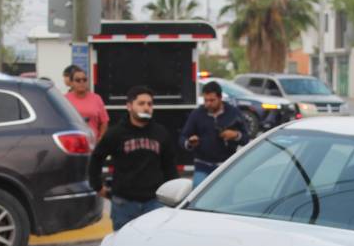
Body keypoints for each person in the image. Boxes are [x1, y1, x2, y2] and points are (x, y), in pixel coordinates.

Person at [88, 86, 178, 231]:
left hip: (154, 203)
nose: (146, 107)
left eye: (150, 104)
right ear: (129, 106)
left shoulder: (161, 133)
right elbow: (96, 158)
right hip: (124, 203)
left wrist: (173, 194)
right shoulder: (116, 133)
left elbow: (170, 166)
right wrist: (97, 186)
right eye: (141, 103)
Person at [180, 81, 248, 185]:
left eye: (212, 100)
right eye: (205, 100)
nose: (208, 104)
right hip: (202, 165)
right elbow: (183, 137)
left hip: (226, 166)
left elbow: (246, 138)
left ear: (220, 98)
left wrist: (235, 135)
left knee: (226, 197)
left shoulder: (233, 113)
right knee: (198, 196)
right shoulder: (197, 114)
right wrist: (189, 142)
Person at [63, 65, 109, 142]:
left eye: (84, 80)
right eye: (78, 80)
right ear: (71, 83)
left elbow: (104, 122)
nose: (82, 82)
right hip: (72, 144)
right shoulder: (64, 99)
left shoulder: (96, 98)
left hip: (93, 143)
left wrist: (100, 138)